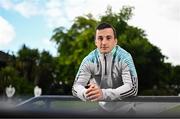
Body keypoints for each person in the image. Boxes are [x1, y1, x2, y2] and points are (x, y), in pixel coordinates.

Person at [72, 22, 138, 104]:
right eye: (100, 38)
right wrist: (87, 93)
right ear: (95, 42)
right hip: (102, 110)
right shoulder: (89, 60)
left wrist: (103, 94)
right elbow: (76, 87)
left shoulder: (125, 57)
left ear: (115, 41)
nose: (104, 42)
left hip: (126, 111)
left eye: (108, 38)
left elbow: (132, 88)